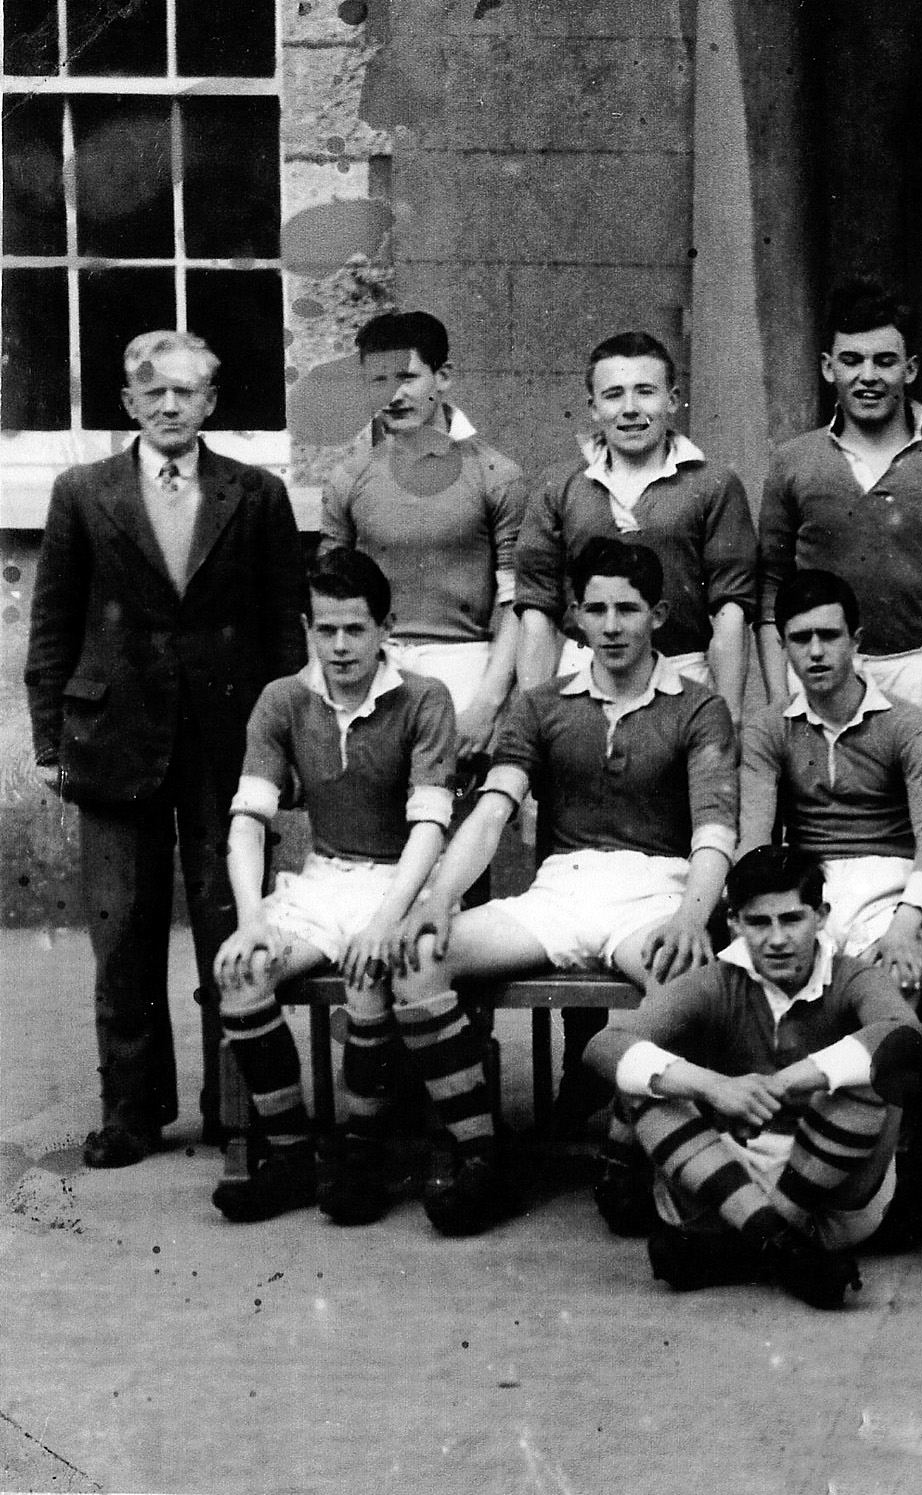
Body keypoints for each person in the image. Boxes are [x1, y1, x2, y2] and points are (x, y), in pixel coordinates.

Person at [390, 538, 740, 1235]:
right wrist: (436, 899)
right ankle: (480, 1155)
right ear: (574, 614)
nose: (611, 626)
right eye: (597, 609)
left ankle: (623, 1153)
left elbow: (714, 833)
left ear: (659, 615)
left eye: (629, 610)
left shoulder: (699, 708)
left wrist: (693, 916)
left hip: (654, 891)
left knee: (685, 984)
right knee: (422, 955)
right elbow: (492, 811)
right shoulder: (542, 704)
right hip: (561, 888)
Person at [26, 330, 307, 1167]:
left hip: (228, 741)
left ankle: (241, 1104)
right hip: (114, 737)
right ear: (129, 403)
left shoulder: (255, 495)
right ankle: (132, 1112)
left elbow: (284, 629)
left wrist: (286, 747)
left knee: (231, 918)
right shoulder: (84, 492)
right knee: (122, 930)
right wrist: (52, 741)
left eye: (188, 392)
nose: (171, 406)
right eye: (155, 394)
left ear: (212, 403)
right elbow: (54, 623)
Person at [209, 551, 456, 1225]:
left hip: (403, 878)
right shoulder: (283, 699)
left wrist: (386, 919)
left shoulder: (426, 697)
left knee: (370, 969)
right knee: (242, 971)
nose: (340, 645)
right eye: (326, 630)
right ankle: (291, 1156)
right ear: (306, 628)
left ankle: (362, 1152)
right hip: (324, 877)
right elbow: (249, 820)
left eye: (355, 628)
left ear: (385, 627)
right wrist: (252, 918)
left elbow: (431, 827)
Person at [583, 846, 922, 1310]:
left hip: (828, 1190)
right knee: (646, 1082)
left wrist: (790, 1080)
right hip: (725, 1186)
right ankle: (782, 1249)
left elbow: (907, 1037)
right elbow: (604, 1045)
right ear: (735, 923)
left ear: (821, 915)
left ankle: (748, 1247)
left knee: (879, 1076)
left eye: (792, 919)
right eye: (759, 923)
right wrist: (713, 1086)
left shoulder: (851, 977)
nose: (777, 939)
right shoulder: (716, 982)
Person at [755, 280, 922, 746]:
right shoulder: (794, 462)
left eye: (884, 361)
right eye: (852, 361)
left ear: (910, 370)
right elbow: (771, 589)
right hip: (815, 674)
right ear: (828, 368)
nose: (868, 376)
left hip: (919, 675)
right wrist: (776, 698)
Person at [514, 331, 756, 722]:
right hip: (581, 671)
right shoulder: (559, 486)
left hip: (681, 672)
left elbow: (731, 608)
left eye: (645, 391)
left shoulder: (714, 484)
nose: (630, 408)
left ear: (673, 399)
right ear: (593, 408)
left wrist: (729, 716)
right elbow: (537, 609)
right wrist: (532, 719)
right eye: (613, 395)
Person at [320, 310, 526, 768]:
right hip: (373, 666)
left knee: (456, 823)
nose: (394, 394)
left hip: (466, 670)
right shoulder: (348, 477)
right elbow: (328, 598)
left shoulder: (497, 476)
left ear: (443, 376)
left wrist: (487, 707)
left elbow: (519, 603)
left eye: (409, 377)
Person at [742, 569, 922, 994]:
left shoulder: (909, 724)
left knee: (893, 983)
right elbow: (755, 839)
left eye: (829, 636)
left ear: (855, 641)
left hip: (894, 887)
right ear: (782, 646)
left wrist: (905, 924)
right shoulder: (768, 728)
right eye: (800, 639)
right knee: (758, 985)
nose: (816, 652)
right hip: (806, 886)